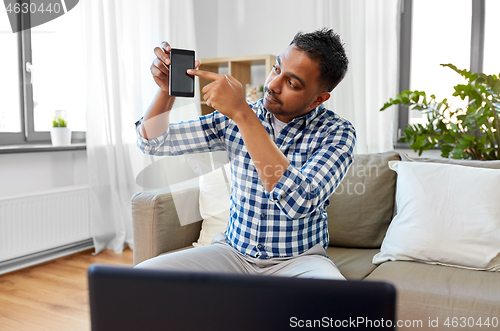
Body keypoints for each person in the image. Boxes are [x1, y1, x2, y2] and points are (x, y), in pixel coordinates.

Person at [135, 28, 356, 280]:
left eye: (291, 83)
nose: (272, 85)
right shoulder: (234, 118)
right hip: (233, 254)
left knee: (339, 303)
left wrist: (243, 115)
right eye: (276, 68)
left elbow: (300, 202)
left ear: (318, 99)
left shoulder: (337, 133)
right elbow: (153, 143)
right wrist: (167, 90)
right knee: (141, 279)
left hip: (300, 261)